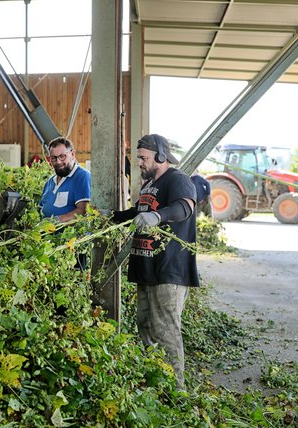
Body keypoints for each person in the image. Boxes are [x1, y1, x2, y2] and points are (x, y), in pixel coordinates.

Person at [107, 133, 199, 389]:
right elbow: (136, 213)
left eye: (143, 158)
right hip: (146, 269)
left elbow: (184, 207)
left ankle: (177, 391)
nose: (139, 163)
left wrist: (158, 217)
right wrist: (109, 216)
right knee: (146, 327)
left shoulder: (178, 180)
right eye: (138, 158)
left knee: (166, 331)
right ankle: (155, 382)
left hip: (168, 270)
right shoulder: (149, 186)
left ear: (160, 156)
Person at [39, 137, 91, 223]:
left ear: (73, 154)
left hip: (70, 236)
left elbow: (83, 211)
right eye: (53, 158)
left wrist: (57, 220)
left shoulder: (82, 176)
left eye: (62, 156)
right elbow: (40, 208)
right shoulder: (50, 182)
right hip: (47, 235)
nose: (58, 162)